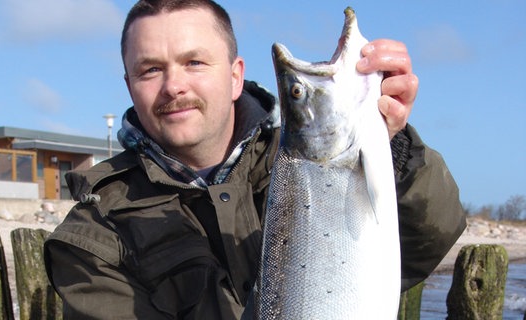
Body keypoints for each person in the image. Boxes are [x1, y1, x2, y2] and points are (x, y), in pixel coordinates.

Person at [44, 0, 466, 319]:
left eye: (194, 62)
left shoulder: (302, 165)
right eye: (151, 69)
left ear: (234, 76)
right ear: (129, 84)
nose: (174, 85)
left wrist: (391, 144)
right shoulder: (93, 235)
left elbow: (426, 242)